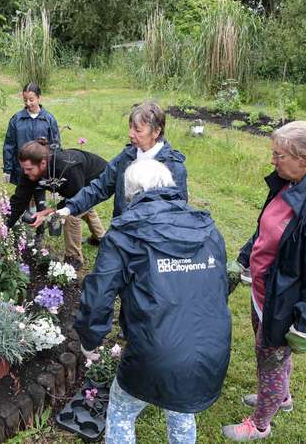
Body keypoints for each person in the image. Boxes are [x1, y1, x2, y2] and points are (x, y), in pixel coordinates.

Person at [74, 159, 232, 444]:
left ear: (130, 193)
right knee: (181, 408)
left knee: (122, 411)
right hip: (211, 348)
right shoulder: (208, 230)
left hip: (154, 352)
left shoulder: (124, 233)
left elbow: (99, 296)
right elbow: (219, 287)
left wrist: (89, 341)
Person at [221, 121, 306, 441]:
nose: (273, 160)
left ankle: (259, 425)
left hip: (287, 298)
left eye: (279, 154)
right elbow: (266, 228)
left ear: (304, 159)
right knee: (268, 351)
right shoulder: (289, 182)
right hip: (265, 291)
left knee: (271, 356)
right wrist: (245, 257)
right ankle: (280, 397)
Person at [56, 101, 187, 221]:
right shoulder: (126, 157)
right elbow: (100, 186)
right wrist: (69, 208)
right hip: (123, 231)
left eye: (137, 130)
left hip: (153, 240)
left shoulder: (173, 167)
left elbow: (177, 214)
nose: (130, 134)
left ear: (156, 132)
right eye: (130, 127)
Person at [6, 138, 107, 270]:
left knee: (72, 214)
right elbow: (19, 200)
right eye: (24, 169)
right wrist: (5, 226)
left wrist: (46, 212)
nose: (26, 173)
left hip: (99, 178)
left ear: (43, 163)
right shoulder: (29, 170)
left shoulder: (67, 168)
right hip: (78, 184)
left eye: (29, 169)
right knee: (84, 208)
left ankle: (74, 259)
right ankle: (100, 238)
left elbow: (75, 200)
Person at [2, 82, 61, 241]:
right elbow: (9, 144)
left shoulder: (48, 120)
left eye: (31, 99)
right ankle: (23, 230)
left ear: (39, 98)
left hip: (41, 171)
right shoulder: (17, 119)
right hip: (24, 170)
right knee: (23, 200)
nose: (28, 103)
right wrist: (7, 169)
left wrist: (53, 168)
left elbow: (56, 145)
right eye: (25, 100)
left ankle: (39, 233)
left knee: (41, 201)